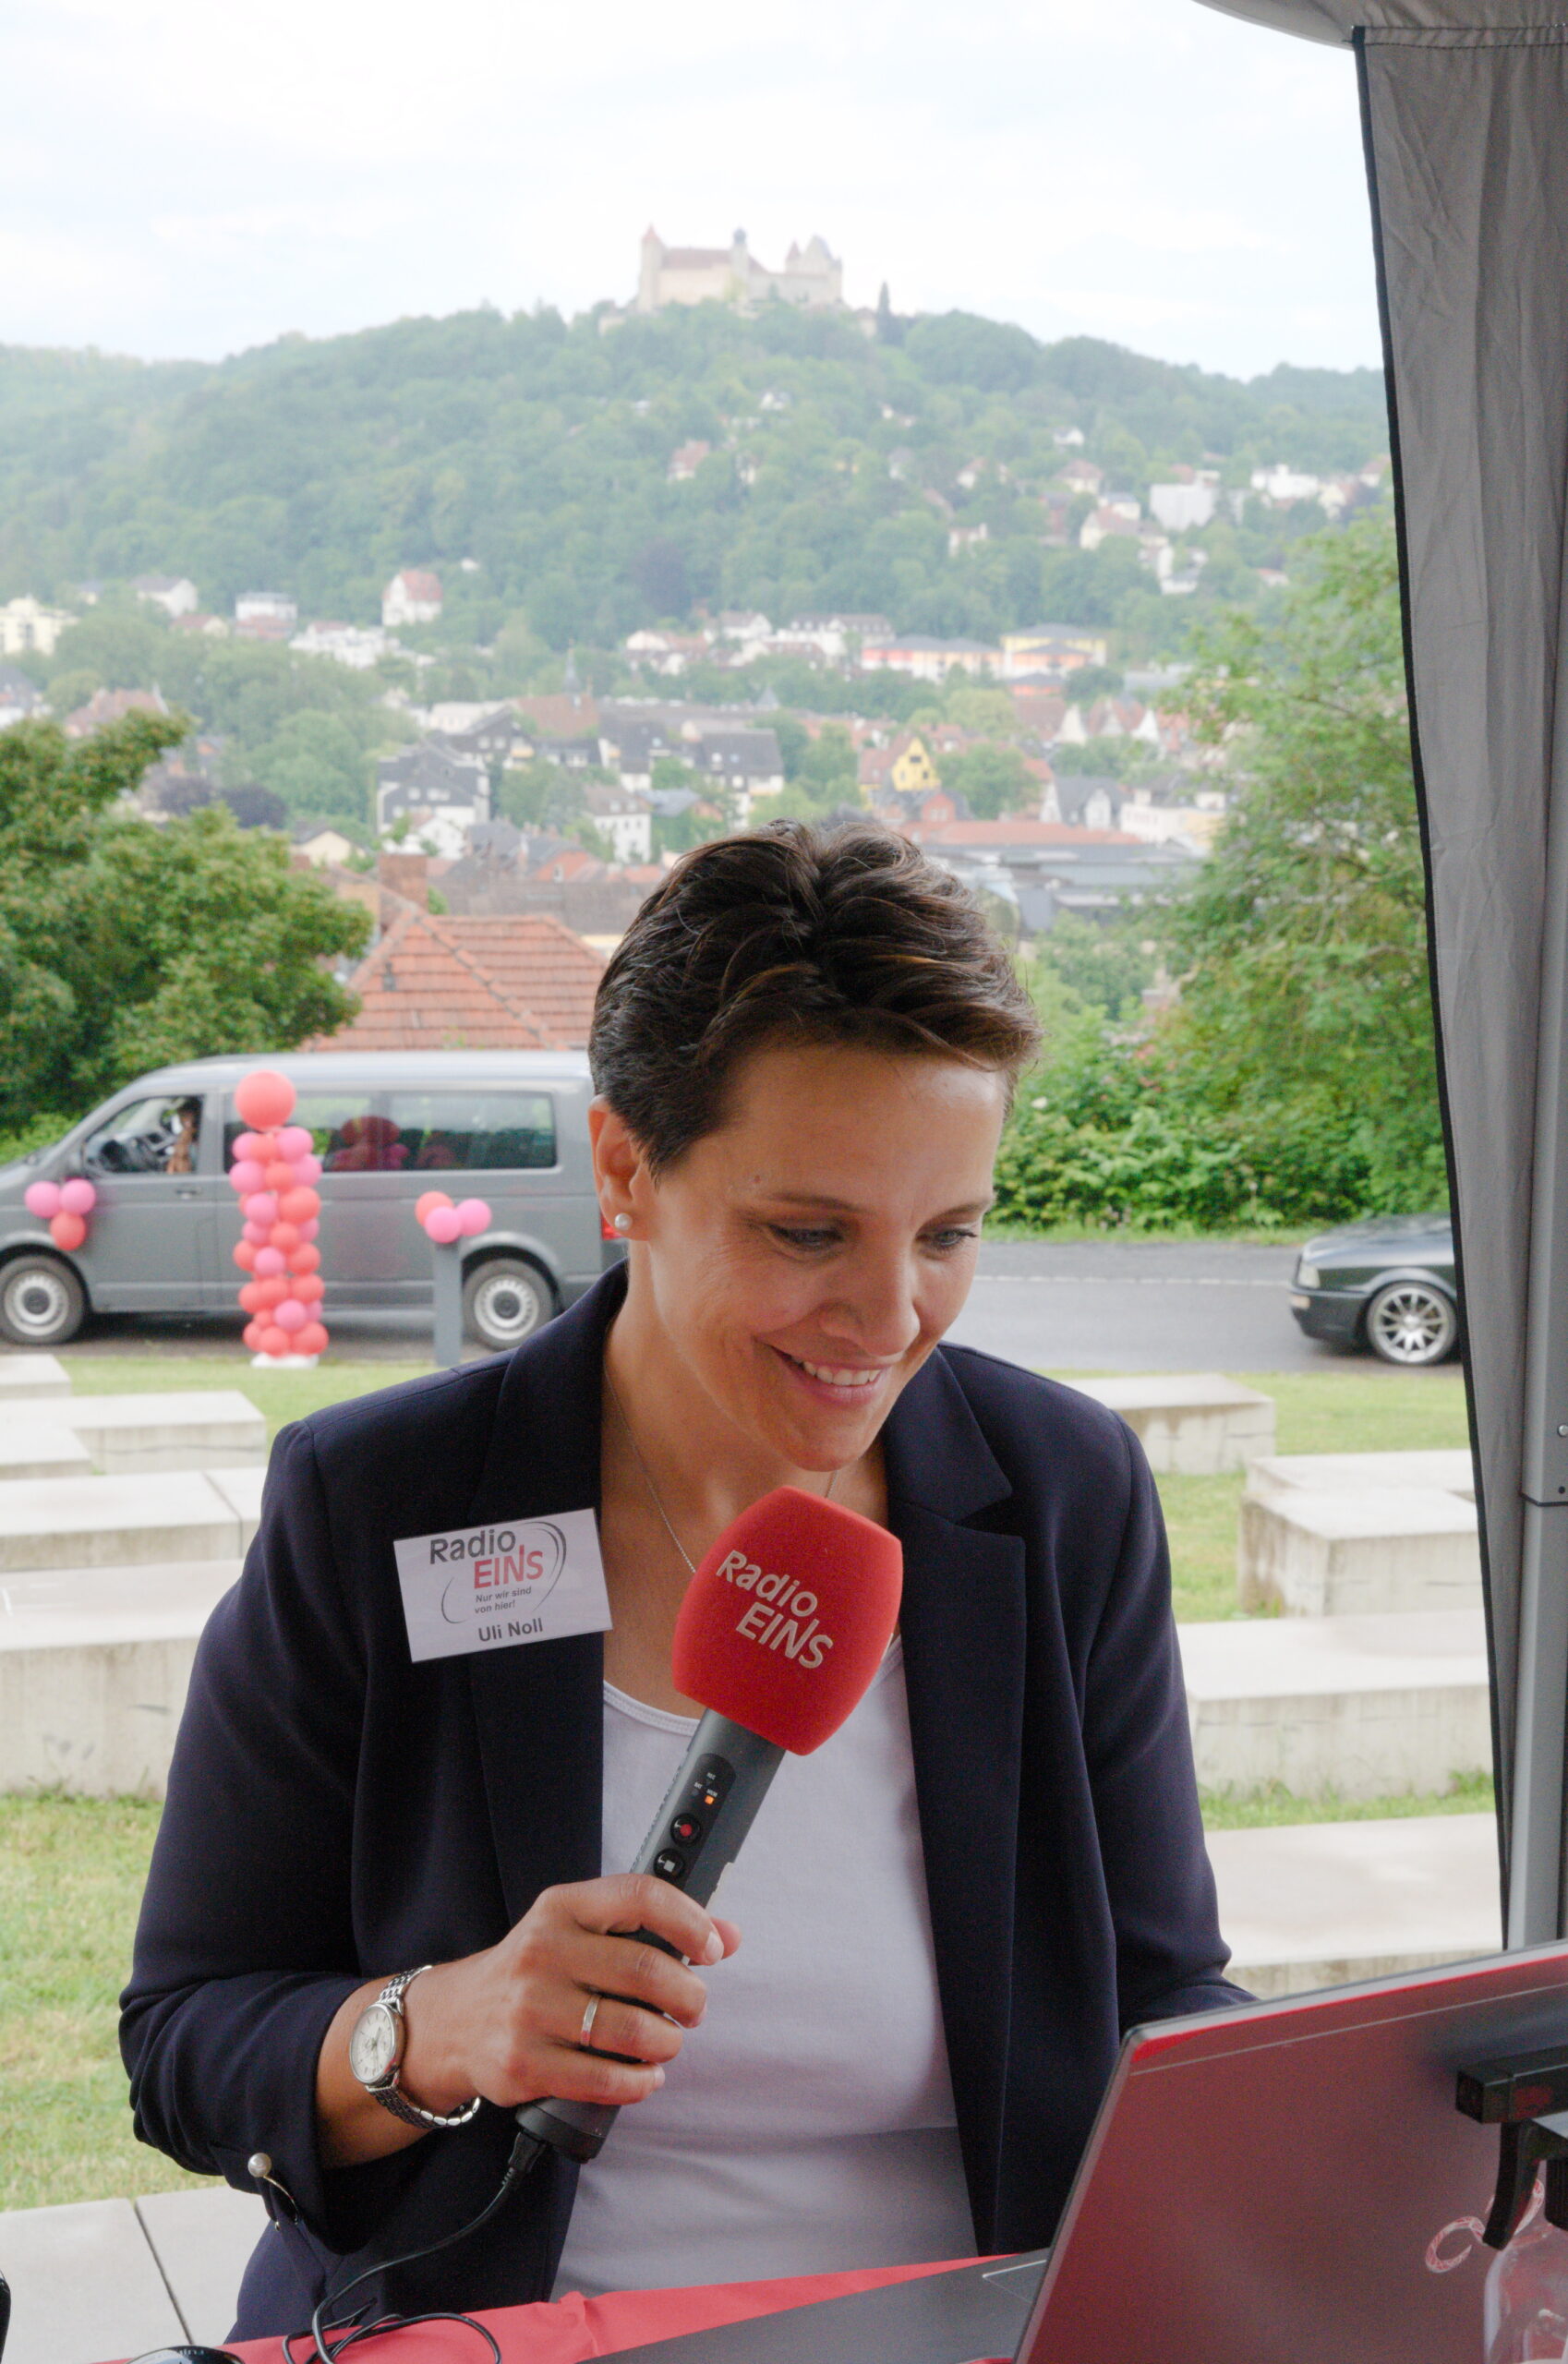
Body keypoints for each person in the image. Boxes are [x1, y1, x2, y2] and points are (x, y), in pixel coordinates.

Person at [120, 822, 1246, 2341]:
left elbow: (1159, 1998)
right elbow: (187, 2042)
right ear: (624, 1170)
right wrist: (433, 2029)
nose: (888, 1314)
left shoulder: (1059, 1495)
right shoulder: (383, 1503)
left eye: (949, 1234)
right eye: (805, 1232)